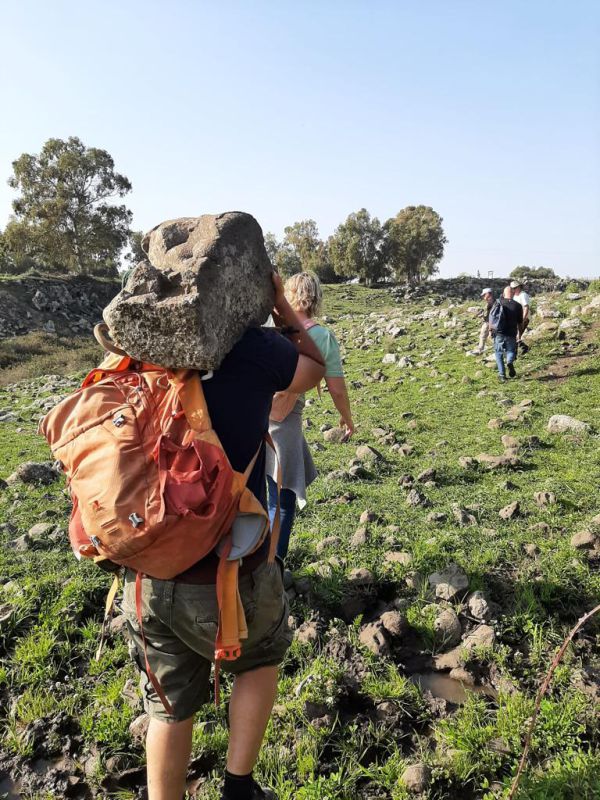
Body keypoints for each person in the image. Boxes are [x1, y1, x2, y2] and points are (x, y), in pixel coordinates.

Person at [122, 272, 326, 800]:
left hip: (149, 570)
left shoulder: (138, 353)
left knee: (167, 705)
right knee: (260, 659)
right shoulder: (256, 350)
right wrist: (282, 304)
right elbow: (312, 367)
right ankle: (238, 789)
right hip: (232, 572)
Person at [266, 272, 354, 561]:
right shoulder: (320, 336)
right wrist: (347, 419)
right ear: (315, 297)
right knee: (283, 500)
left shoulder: (271, 329)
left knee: (261, 495)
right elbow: (337, 389)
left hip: (257, 418)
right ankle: (271, 569)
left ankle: (252, 563)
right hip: (284, 422)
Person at [493, 285, 523, 382]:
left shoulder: (498, 303)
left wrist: (490, 330)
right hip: (511, 333)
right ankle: (509, 362)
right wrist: (520, 334)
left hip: (499, 333)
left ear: (503, 293)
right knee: (511, 351)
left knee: (498, 353)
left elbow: (492, 317)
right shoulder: (518, 306)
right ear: (513, 294)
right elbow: (520, 322)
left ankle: (502, 375)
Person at [469, 287, 494, 355]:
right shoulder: (491, 302)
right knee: (483, 335)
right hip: (488, 322)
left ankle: (481, 350)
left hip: (491, 322)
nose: (483, 297)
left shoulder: (491, 302)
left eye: (484, 295)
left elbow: (491, 314)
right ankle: (480, 349)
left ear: (488, 294)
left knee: (488, 336)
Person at [511, 279, 531, 353]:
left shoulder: (523, 295)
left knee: (517, 336)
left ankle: (521, 350)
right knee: (516, 336)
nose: (513, 289)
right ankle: (523, 349)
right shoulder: (515, 296)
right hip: (516, 319)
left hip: (523, 318)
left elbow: (526, 307)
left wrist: (523, 319)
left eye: (515, 288)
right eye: (512, 288)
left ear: (519, 287)